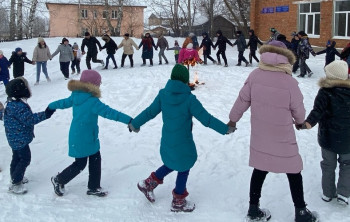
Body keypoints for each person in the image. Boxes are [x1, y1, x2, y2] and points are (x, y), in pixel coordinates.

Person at [228, 40, 318, 222]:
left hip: (261, 135)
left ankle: (253, 209)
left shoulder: (254, 76)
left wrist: (232, 120)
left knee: (260, 169)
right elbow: (298, 110)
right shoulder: (289, 82)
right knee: (293, 171)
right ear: (286, 57)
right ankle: (301, 212)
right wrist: (300, 123)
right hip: (283, 137)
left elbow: (241, 100)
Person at [128, 64, 235, 212]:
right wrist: (225, 129)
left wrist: (135, 123)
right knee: (183, 166)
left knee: (172, 162)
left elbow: (149, 112)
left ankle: (148, 184)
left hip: (168, 139)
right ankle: (178, 200)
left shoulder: (163, 94)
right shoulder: (189, 99)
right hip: (183, 141)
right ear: (185, 80)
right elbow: (206, 119)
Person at [49, 70, 132, 197]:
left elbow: (62, 103)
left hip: (83, 135)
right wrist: (129, 120)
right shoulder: (93, 101)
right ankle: (59, 179)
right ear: (92, 85)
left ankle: (93, 187)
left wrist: (51, 106)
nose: (100, 85)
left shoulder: (76, 95)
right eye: (99, 83)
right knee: (80, 164)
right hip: (84, 137)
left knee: (95, 159)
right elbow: (111, 113)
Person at [298, 60, 350, 206]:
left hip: (328, 138)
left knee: (328, 165)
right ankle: (343, 194)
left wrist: (308, 123)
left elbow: (317, 111)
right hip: (347, 139)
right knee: (347, 165)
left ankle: (328, 193)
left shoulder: (325, 92)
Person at [4, 77, 55, 194]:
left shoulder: (11, 103)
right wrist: (46, 114)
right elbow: (30, 119)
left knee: (16, 158)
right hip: (20, 139)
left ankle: (15, 177)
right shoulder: (18, 106)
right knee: (25, 159)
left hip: (14, 138)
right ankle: (16, 183)